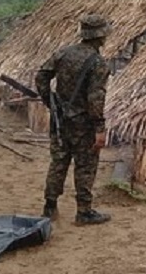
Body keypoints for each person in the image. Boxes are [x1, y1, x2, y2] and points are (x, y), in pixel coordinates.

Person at [35, 14, 112, 225]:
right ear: (100, 36)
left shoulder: (64, 53)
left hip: (60, 121)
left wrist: (51, 102)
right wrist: (100, 128)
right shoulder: (98, 64)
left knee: (58, 162)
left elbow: (41, 75)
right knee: (85, 166)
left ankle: (49, 207)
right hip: (84, 124)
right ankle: (84, 212)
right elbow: (96, 99)